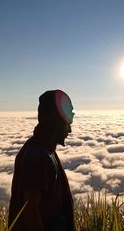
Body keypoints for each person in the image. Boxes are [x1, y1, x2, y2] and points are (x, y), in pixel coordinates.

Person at [8, 90, 75, 231]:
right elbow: (30, 212)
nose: (70, 130)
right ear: (55, 121)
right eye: (67, 119)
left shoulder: (41, 149)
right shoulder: (39, 156)